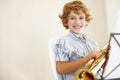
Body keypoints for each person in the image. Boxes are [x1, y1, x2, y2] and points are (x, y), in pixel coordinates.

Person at [54, 0, 101, 80]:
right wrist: (87, 58)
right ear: (66, 21)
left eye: (81, 18)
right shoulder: (63, 42)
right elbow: (60, 69)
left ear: (86, 20)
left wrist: (106, 58)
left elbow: (100, 68)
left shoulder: (92, 43)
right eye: (72, 18)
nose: (77, 22)